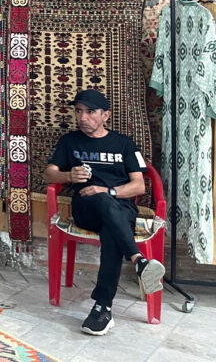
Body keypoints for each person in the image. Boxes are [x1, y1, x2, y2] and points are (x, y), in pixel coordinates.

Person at [43, 89, 164, 336]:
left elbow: (139, 185)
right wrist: (67, 175)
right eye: (78, 111)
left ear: (105, 115)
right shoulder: (70, 141)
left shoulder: (124, 144)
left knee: (112, 228)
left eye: (90, 112)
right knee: (100, 201)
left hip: (120, 210)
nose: (82, 117)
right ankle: (139, 261)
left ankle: (102, 308)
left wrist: (107, 191)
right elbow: (49, 173)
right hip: (86, 210)